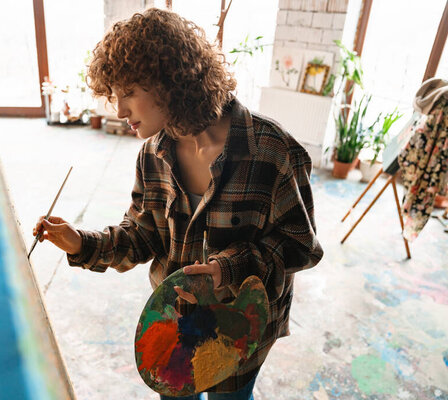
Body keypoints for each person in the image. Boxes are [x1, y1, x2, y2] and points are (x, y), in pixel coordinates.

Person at [33, 8, 323, 400]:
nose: (119, 110)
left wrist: (227, 269)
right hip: (174, 325)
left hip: (241, 328)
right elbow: (142, 236)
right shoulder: (152, 155)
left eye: (129, 92)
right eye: (114, 95)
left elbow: (300, 246)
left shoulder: (272, 151)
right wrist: (81, 243)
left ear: (170, 80)